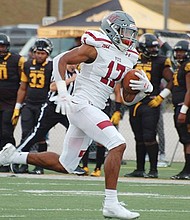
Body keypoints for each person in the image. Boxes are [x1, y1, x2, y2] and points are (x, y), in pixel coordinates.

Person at [0, 11, 153, 219]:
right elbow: (60, 61)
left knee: (66, 165)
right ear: (112, 30)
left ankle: (12, 156)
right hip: (81, 104)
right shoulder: (96, 45)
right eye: (125, 32)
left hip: (94, 108)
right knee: (117, 144)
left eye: (131, 33)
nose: (129, 37)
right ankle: (110, 203)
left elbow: (127, 99)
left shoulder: (129, 56)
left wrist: (144, 90)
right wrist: (63, 92)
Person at [11, 63, 79, 174]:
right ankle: (15, 155)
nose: (73, 66)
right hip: (53, 108)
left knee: (76, 133)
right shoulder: (60, 72)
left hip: (67, 109)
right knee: (37, 134)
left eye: (75, 63)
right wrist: (71, 80)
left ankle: (73, 163)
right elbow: (52, 87)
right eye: (70, 63)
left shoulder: (78, 74)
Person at [124, 33, 173, 178]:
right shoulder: (133, 59)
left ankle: (153, 170)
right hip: (134, 103)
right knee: (138, 137)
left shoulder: (161, 61)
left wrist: (161, 97)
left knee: (149, 137)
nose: (154, 50)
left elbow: (171, 79)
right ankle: (139, 169)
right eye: (151, 48)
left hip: (150, 103)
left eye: (155, 47)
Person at [11, 38, 53, 174]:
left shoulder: (51, 66)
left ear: (48, 53)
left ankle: (40, 166)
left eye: (43, 53)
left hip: (43, 104)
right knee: (25, 134)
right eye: (37, 53)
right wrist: (18, 106)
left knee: (41, 136)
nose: (40, 55)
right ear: (33, 53)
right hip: (29, 104)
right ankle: (23, 164)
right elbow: (23, 87)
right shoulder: (27, 65)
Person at [82, 83, 123, 177]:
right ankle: (84, 166)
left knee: (101, 139)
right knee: (85, 135)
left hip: (104, 107)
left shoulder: (112, 74)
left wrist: (117, 110)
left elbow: (117, 92)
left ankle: (98, 167)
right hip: (89, 104)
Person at [0, 33, 25, 172]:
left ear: (7, 46)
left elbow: (24, 82)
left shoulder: (17, 60)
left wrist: (19, 104)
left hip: (10, 102)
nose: (0, 49)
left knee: (6, 132)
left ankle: (8, 161)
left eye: (2, 46)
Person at [170, 40, 190, 180]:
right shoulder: (180, 66)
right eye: (177, 51)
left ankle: (188, 170)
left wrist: (184, 110)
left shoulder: (188, 66)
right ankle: (186, 169)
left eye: (181, 51)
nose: (178, 54)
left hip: (185, 107)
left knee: (188, 140)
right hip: (179, 106)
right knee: (185, 140)